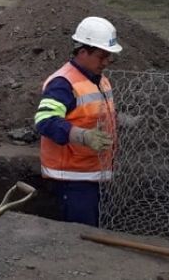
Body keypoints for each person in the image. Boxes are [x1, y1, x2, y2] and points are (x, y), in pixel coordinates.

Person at [34, 17, 121, 227]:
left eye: (109, 56)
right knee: (80, 235)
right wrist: (82, 135)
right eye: (102, 55)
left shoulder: (99, 78)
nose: (107, 61)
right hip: (73, 178)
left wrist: (121, 121)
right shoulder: (63, 83)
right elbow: (45, 121)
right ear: (83, 52)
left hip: (93, 172)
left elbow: (92, 112)